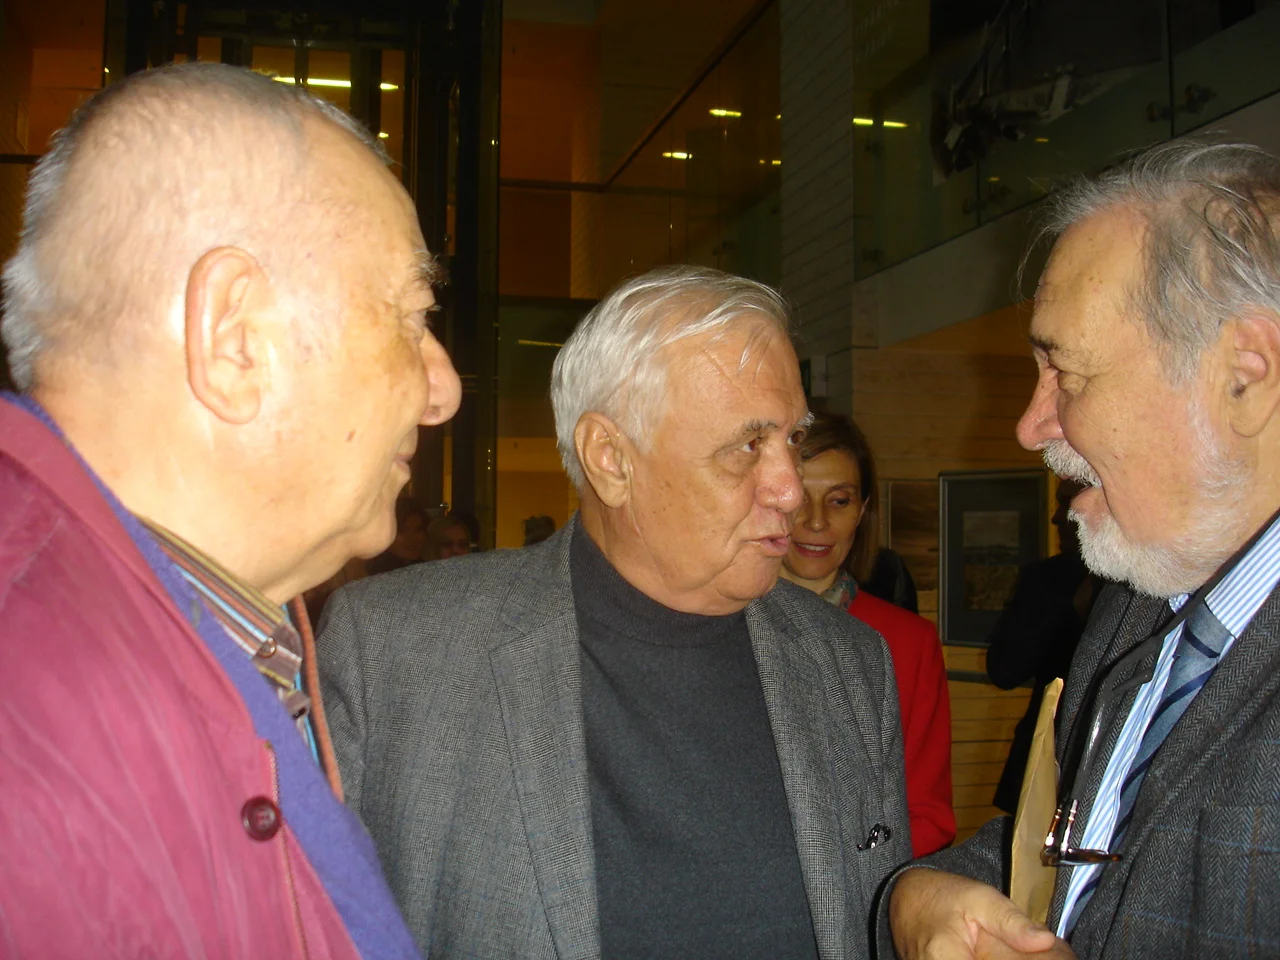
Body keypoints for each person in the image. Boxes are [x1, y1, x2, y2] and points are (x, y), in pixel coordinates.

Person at [0, 62, 461, 957]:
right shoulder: (30, 719)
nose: (442, 390)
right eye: (411, 316)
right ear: (234, 339)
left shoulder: (218, 636)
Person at [318, 265, 910, 959]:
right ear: (610, 458)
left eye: (792, 441)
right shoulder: (395, 651)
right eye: (748, 446)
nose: (789, 488)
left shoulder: (849, 663)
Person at [886, 140, 1280, 959]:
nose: (1031, 427)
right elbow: (1081, 853)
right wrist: (918, 898)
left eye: (1065, 373)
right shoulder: (1134, 609)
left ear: (1244, 375)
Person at [780, 412, 954, 856]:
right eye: (799, 497)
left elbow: (928, 815)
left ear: (862, 511)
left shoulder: (908, 642)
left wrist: (847, 867)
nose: (816, 522)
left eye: (839, 501)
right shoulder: (720, 621)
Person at [986, 478, 1100, 814]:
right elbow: (1003, 669)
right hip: (1040, 764)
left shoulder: (1143, 581)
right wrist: (1066, 609)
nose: (1056, 517)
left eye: (1067, 502)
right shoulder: (1047, 579)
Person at [367, 499, 430, 575]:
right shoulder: (379, 574)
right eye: (402, 531)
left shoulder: (426, 568)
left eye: (418, 530)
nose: (412, 538)